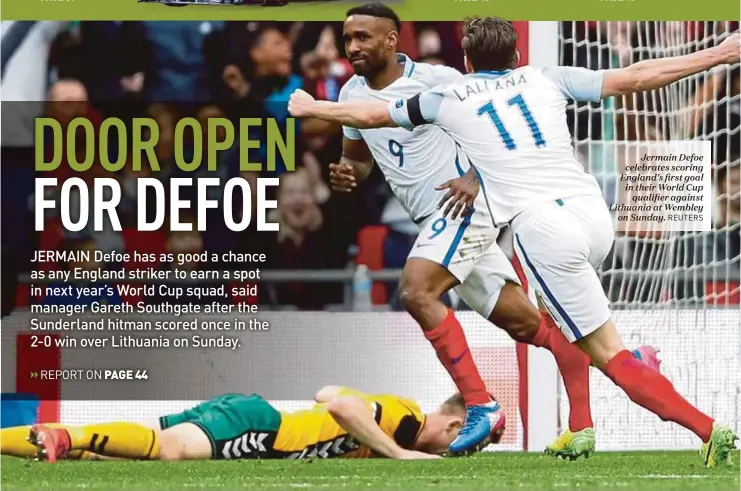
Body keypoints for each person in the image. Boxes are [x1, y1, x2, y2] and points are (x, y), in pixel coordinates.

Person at [286, 17, 740, 467]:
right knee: (534, 326)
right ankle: (582, 425)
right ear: (517, 55)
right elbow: (638, 76)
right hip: (593, 215)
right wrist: (721, 53)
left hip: (536, 229)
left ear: (465, 60)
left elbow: (374, 114)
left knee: (422, 290)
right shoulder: (545, 76)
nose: (352, 44)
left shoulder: (447, 93)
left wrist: (311, 107)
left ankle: (703, 426)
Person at [7, 386, 470, 462]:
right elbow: (340, 405)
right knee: (167, 452)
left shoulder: (395, 412)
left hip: (248, 415)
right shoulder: (404, 418)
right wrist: (397, 452)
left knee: (102, 456)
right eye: (463, 442)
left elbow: (327, 392)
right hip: (259, 429)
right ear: (451, 425)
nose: (453, 452)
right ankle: (66, 434)